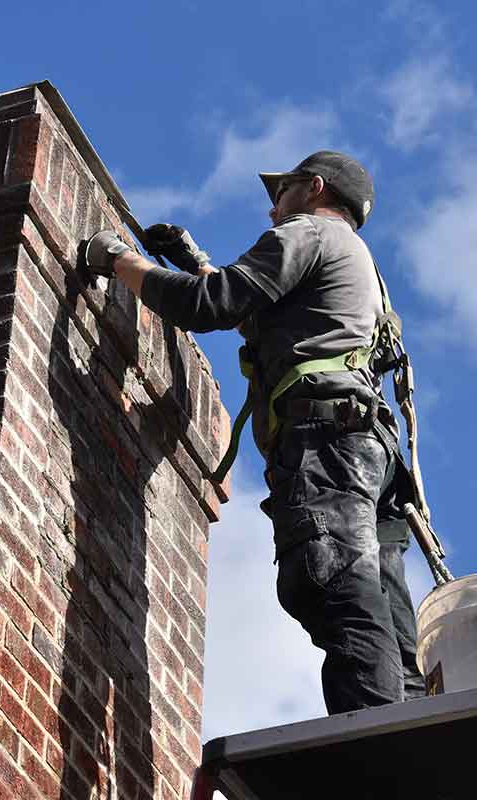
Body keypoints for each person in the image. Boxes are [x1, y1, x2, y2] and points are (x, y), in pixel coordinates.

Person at [85, 151, 425, 715]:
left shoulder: (309, 232)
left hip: (329, 443)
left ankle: (374, 756)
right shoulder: (359, 265)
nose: (272, 209)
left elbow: (210, 306)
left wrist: (118, 259)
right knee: (386, 621)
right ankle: (406, 739)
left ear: (314, 188)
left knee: (337, 586)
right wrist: (193, 261)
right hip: (371, 455)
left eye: (283, 191)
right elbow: (261, 312)